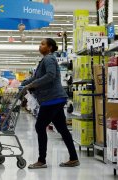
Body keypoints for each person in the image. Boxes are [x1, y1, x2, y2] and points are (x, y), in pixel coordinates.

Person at [22, 38, 79, 169]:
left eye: (42, 44)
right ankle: (74, 158)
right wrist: (23, 84)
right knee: (63, 129)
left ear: (50, 47)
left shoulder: (49, 59)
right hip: (55, 99)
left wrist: (32, 84)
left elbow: (50, 75)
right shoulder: (45, 60)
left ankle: (41, 160)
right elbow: (36, 77)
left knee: (39, 126)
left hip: (52, 99)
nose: (40, 46)